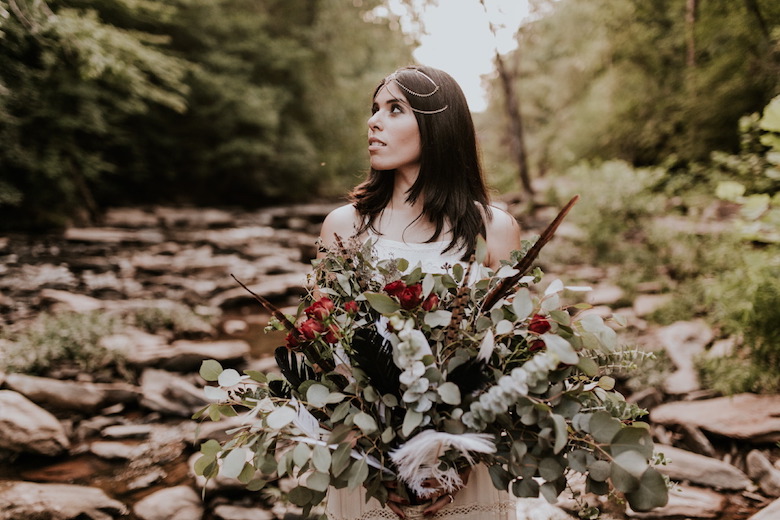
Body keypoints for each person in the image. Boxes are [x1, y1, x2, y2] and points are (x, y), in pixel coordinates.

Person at [319, 65, 522, 520]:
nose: (373, 121)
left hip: (467, 460)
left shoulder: (495, 229)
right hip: (369, 460)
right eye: (375, 109)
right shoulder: (343, 227)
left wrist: (460, 457)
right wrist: (370, 453)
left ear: (439, 127)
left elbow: (509, 357)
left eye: (395, 109)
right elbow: (323, 351)